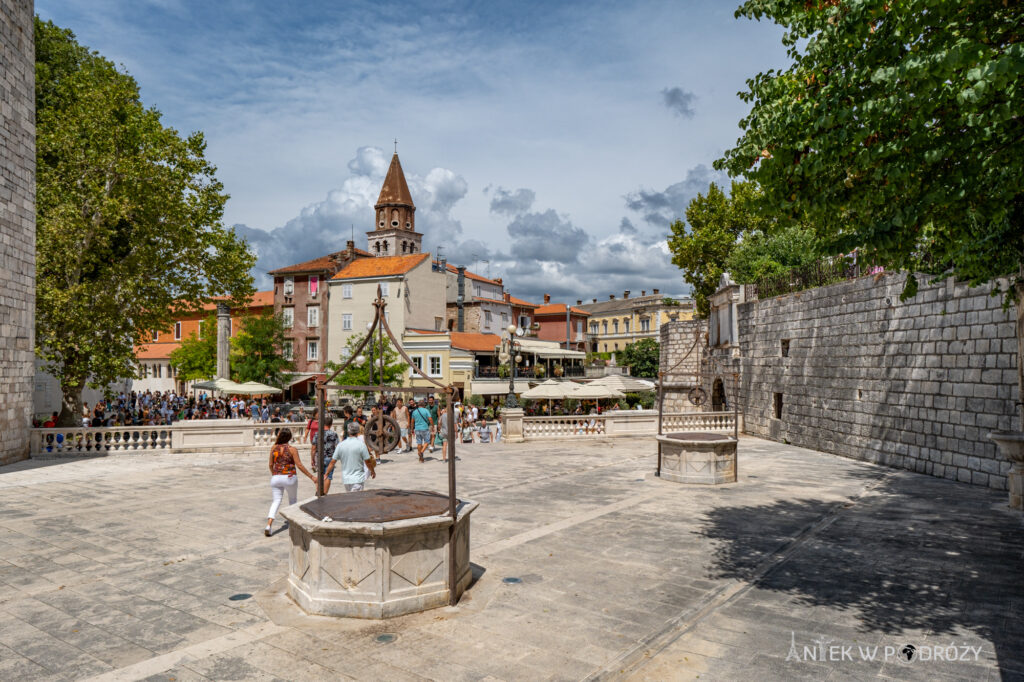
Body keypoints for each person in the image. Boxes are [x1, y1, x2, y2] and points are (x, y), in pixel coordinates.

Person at [265, 429, 314, 536]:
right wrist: (311, 477)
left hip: (276, 477)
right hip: (289, 477)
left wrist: (274, 473)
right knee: (292, 500)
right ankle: (293, 524)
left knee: (276, 501)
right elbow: (299, 465)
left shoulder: (273, 448)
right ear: (290, 437)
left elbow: (270, 464)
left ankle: (268, 525)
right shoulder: (292, 449)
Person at [324, 421, 376, 491]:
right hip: (358, 479)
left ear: (348, 432)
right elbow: (368, 462)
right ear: (358, 431)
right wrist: (372, 471)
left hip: (346, 480)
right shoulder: (361, 445)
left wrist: (326, 473)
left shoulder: (341, 445)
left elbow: (333, 462)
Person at [312, 415, 340, 493]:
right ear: (331, 424)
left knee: (319, 475)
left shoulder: (317, 434)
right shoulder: (334, 434)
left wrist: (312, 459)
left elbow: (313, 448)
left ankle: (318, 491)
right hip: (330, 457)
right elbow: (338, 446)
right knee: (328, 476)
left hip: (319, 457)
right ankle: (324, 492)